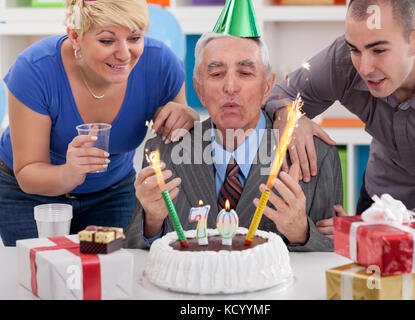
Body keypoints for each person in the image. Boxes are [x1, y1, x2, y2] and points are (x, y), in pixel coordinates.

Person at [0, 0, 199, 246]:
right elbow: (28, 172)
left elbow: (178, 141)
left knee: (109, 275)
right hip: (30, 196)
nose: (125, 54)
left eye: (135, 38)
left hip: (112, 192)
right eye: (107, 41)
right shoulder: (34, 70)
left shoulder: (160, 64)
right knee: (40, 277)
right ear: (75, 36)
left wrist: (188, 118)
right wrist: (69, 173)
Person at [124, 31, 343, 251]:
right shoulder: (162, 152)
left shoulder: (316, 154)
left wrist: (301, 232)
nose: (230, 87)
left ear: (267, 87)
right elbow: (134, 251)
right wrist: (151, 221)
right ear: (199, 89)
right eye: (217, 73)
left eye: (245, 73)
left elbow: (332, 255)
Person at [265, 0, 415, 233]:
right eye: (355, 49)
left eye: (379, 50)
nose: (364, 67)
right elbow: (282, 92)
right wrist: (288, 114)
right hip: (382, 196)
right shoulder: (342, 60)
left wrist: (366, 227)